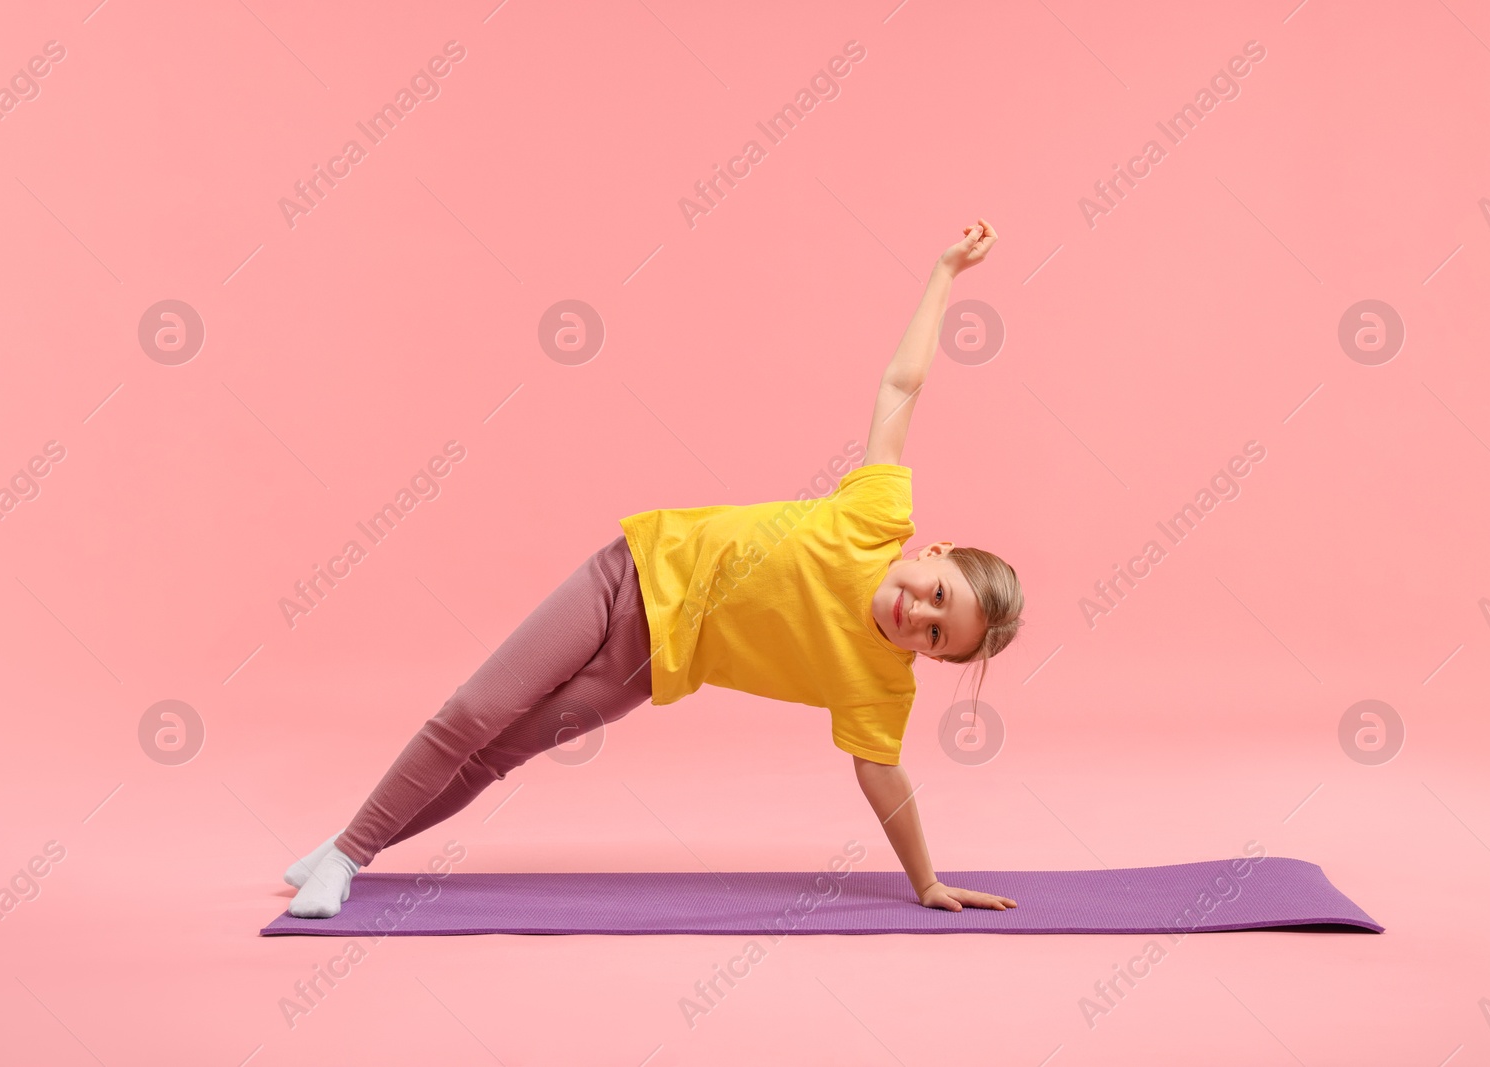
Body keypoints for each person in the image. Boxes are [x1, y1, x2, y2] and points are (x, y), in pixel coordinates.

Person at [287, 219, 1024, 918]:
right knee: (474, 713)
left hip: (646, 668)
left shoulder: (880, 685)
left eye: (935, 635)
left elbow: (884, 780)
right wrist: (943, 273)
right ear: (932, 554)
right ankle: (348, 852)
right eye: (936, 595)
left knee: (495, 757)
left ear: (928, 659)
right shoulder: (877, 515)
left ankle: (353, 845)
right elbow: (901, 387)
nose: (917, 616)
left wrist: (924, 880)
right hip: (629, 576)